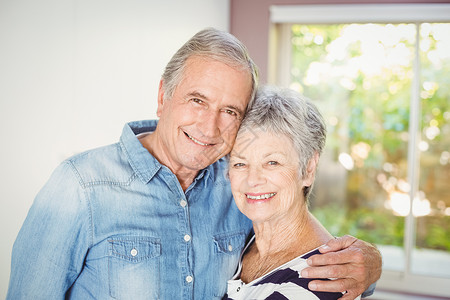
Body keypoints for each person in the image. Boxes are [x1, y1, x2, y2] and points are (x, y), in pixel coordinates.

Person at [7, 28, 381, 299]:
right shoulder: (79, 186)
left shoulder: (238, 184)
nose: (209, 125)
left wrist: (370, 263)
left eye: (229, 110)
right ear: (162, 96)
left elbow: (300, 247)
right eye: (197, 100)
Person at [225, 86, 362, 300]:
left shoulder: (322, 280)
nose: (253, 180)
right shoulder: (245, 245)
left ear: (308, 169)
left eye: (272, 162)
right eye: (240, 163)